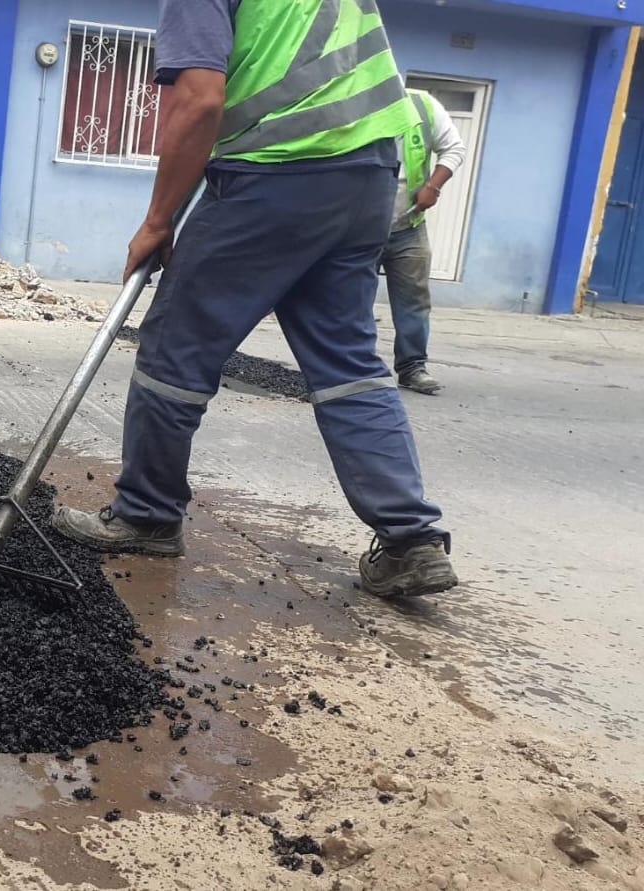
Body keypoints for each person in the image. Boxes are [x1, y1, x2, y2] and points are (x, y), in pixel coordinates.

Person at [51, 0, 459, 600]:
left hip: (278, 170)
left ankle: (147, 513)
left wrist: (159, 220)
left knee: (175, 349)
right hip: (368, 177)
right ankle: (410, 540)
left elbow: (199, 99)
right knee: (349, 366)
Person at [381, 88, 466, 396]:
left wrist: (433, 186)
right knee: (353, 298)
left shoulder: (423, 106)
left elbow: (454, 149)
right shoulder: (358, 101)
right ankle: (353, 368)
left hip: (409, 226)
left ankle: (412, 367)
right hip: (361, 226)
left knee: (413, 300)